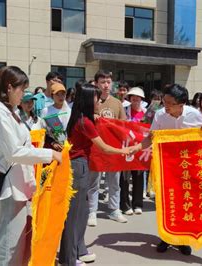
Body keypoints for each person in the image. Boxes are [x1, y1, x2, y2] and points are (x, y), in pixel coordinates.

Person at [0, 66, 62, 265]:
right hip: (9, 187)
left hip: (19, 184)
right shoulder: (0, 114)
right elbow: (14, 152)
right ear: (9, 88)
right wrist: (49, 154)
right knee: (9, 244)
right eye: (21, 89)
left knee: (20, 242)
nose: (23, 95)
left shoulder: (12, 112)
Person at [60, 84, 134, 266]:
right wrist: (125, 150)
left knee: (83, 212)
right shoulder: (84, 122)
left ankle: (79, 249)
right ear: (87, 100)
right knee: (74, 214)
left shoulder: (82, 118)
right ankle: (69, 259)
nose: (99, 101)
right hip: (78, 167)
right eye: (96, 98)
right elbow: (104, 147)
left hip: (80, 166)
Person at [134, 83, 202, 256]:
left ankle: (183, 240)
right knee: (167, 203)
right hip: (166, 166)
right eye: (164, 101)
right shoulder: (160, 115)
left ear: (181, 104)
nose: (165, 106)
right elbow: (151, 137)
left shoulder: (193, 115)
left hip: (187, 167)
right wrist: (136, 147)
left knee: (186, 203)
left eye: (169, 103)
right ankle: (166, 237)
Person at [87, 70, 127, 226]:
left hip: (113, 148)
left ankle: (114, 209)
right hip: (96, 149)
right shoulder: (92, 102)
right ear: (96, 83)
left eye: (109, 82)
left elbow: (124, 124)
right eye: (102, 82)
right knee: (94, 182)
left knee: (114, 182)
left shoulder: (117, 103)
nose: (106, 85)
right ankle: (92, 211)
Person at [120, 87, 147, 215]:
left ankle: (137, 204)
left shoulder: (147, 113)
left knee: (139, 176)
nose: (136, 100)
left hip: (141, 149)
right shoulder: (124, 111)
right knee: (124, 177)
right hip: (126, 147)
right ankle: (125, 205)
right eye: (133, 98)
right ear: (129, 99)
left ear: (141, 100)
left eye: (138, 98)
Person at [41, 83, 71, 151]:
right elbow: (42, 131)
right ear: (52, 96)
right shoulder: (46, 111)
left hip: (68, 148)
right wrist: (52, 142)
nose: (61, 97)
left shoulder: (70, 111)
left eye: (63, 94)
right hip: (53, 149)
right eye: (57, 94)